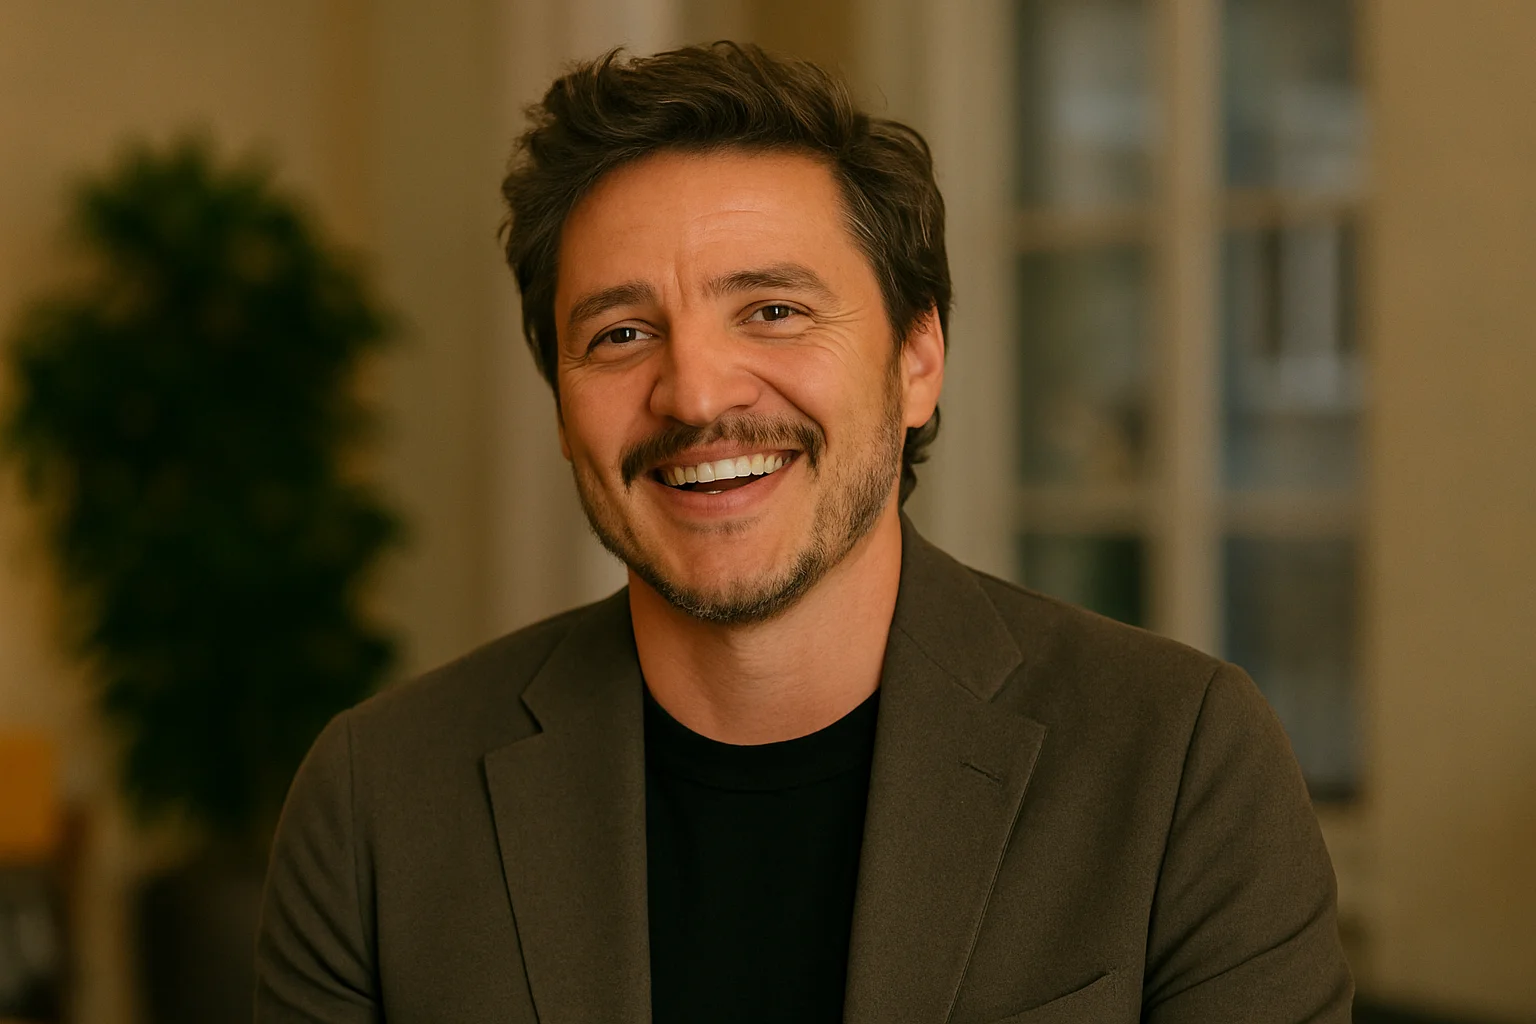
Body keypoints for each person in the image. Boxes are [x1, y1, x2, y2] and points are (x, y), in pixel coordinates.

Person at [255, 42, 1352, 1024]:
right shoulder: (377, 804)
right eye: (622, 332)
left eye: (773, 310)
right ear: (560, 404)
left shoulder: (1180, 765)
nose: (693, 394)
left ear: (918, 360)